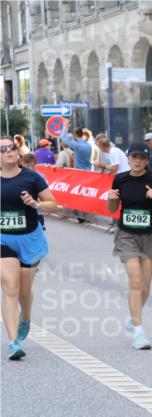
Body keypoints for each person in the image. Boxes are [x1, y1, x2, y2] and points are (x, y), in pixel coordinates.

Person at [105, 142, 152, 351]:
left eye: (142, 158)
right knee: (135, 281)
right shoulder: (120, 179)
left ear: (146, 161)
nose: (137, 161)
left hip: (151, 235)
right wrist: (111, 198)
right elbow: (113, 209)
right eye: (134, 157)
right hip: (127, 235)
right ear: (128, 158)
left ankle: (132, 315)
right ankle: (138, 332)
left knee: (145, 286)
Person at [2, 135, 58, 360]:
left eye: (12, 147)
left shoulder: (32, 178)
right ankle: (14, 341)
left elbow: (53, 205)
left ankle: (25, 317)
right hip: (3, 239)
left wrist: (35, 204)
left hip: (30, 240)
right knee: (10, 287)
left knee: (24, 292)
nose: (8, 151)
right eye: (3, 149)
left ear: (18, 151)